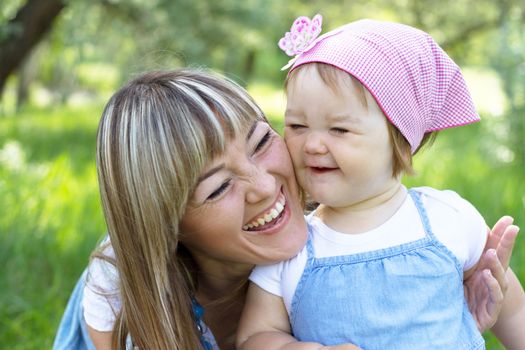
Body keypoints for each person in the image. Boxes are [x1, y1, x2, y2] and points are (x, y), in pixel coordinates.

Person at [52, 68, 516, 350]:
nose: (263, 186)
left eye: (260, 142)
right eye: (217, 188)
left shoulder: (348, 221)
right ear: (168, 225)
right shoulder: (124, 294)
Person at [236, 17, 525, 350]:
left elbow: (508, 305)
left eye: (339, 130)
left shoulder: (449, 219)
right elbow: (255, 336)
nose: (312, 145)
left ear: (400, 141)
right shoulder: (292, 247)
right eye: (298, 126)